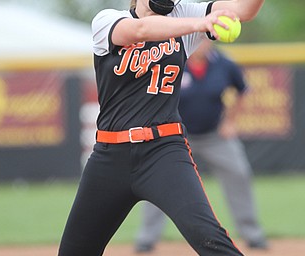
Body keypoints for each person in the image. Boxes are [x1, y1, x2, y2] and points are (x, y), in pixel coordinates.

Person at [58, 0, 265, 255]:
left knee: (208, 237)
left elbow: (243, 10)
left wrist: (200, 21)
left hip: (164, 153)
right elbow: (140, 30)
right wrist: (200, 24)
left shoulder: (183, 14)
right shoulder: (107, 19)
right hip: (109, 157)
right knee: (75, 250)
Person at [134, 39, 268, 253]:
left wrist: (230, 121)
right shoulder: (175, 61)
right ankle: (146, 238)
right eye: (199, 38)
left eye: (207, 39)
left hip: (215, 136)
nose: (203, 43)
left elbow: (243, 90)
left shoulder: (224, 64)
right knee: (158, 180)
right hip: (176, 137)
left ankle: (253, 235)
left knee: (239, 173)